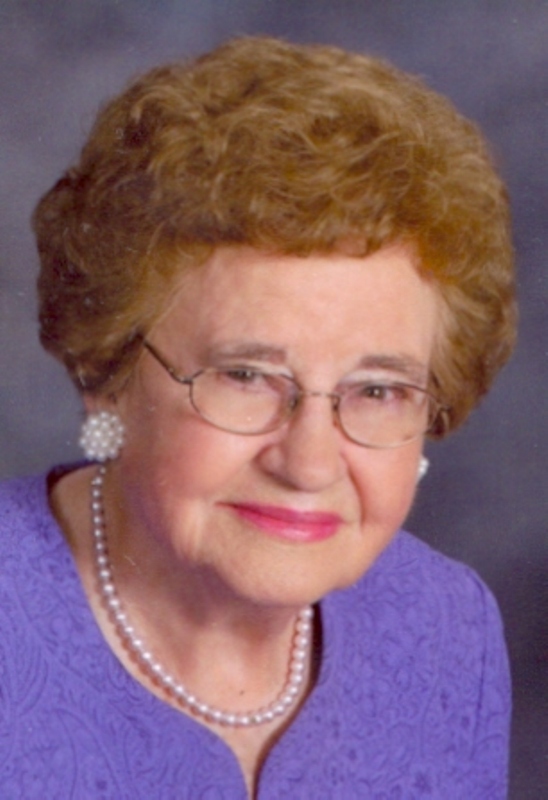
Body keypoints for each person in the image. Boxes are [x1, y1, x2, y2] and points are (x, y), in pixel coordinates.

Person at [0, 36, 515, 798]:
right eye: (245, 377)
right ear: (106, 373)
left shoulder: (449, 633)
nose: (309, 463)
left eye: (377, 391)